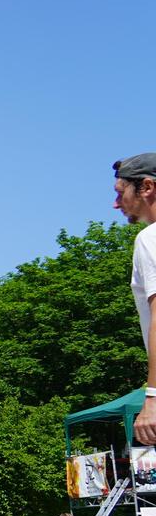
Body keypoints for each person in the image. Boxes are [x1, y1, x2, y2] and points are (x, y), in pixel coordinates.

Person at [115, 153, 156, 446]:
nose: (116, 204)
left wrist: (152, 396)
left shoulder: (150, 238)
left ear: (146, 188)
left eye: (120, 193)